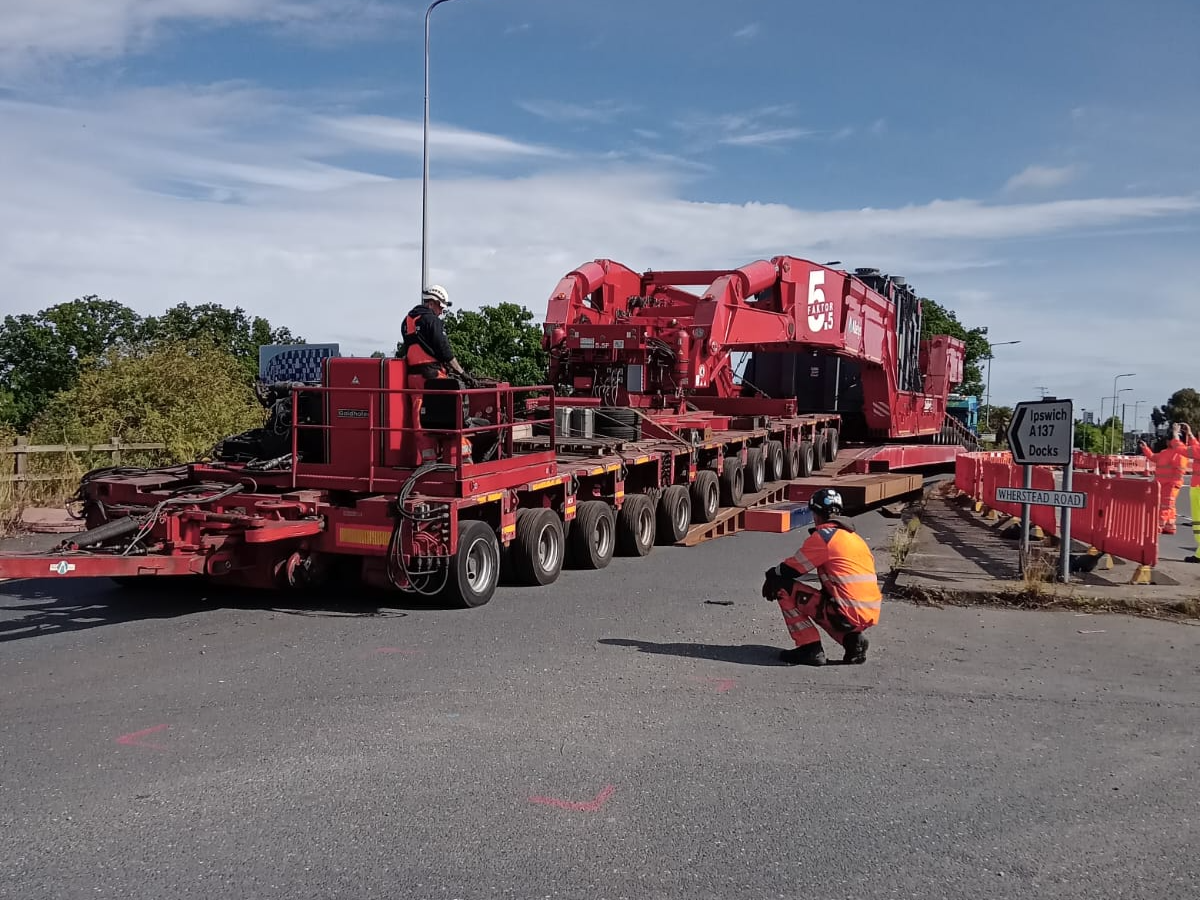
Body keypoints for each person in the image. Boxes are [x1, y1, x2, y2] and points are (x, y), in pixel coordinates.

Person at [761, 488, 882, 666]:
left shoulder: (825, 538)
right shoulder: (854, 538)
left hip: (845, 614)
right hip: (865, 613)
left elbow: (791, 569)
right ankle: (852, 640)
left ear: (816, 514)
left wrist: (771, 574)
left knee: (780, 585)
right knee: (825, 602)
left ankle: (809, 647)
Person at [1138, 424, 1189, 535]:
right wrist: (1145, 448)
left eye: (1168, 439)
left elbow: (1179, 470)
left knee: (1165, 505)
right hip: (1162, 484)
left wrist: (1174, 483)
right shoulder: (1164, 453)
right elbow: (1153, 457)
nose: (1166, 441)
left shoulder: (1180, 453)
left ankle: (1159, 525)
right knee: (1168, 505)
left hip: (1171, 484)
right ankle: (1169, 525)